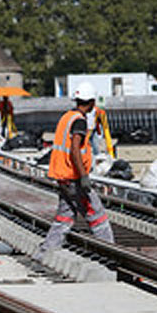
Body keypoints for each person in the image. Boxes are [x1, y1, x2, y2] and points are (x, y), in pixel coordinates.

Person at [34, 82, 114, 259]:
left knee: (65, 216)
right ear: (92, 102)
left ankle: (45, 252)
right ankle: (111, 253)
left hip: (63, 175)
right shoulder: (79, 121)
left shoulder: (67, 117)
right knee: (97, 214)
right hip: (74, 176)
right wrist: (84, 176)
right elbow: (75, 149)